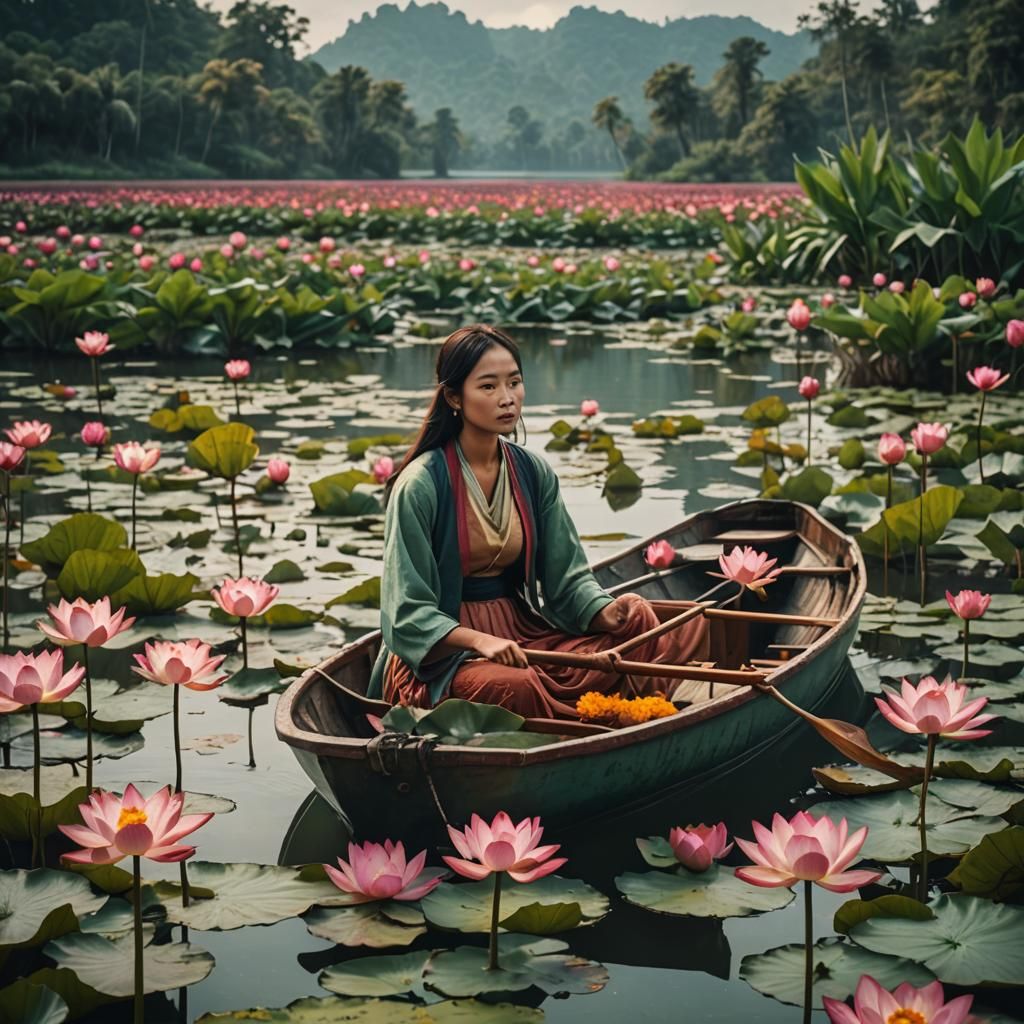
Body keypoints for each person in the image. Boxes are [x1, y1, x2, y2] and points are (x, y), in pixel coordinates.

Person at [365, 323, 709, 720]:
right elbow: (405, 613)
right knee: (519, 684)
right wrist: (479, 642)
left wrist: (603, 611)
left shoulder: (532, 472)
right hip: (442, 658)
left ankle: (634, 720)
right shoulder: (421, 484)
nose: (507, 399)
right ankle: (588, 724)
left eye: (515, 383)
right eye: (489, 387)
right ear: (454, 397)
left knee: (640, 619)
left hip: (522, 632)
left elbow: (566, 579)